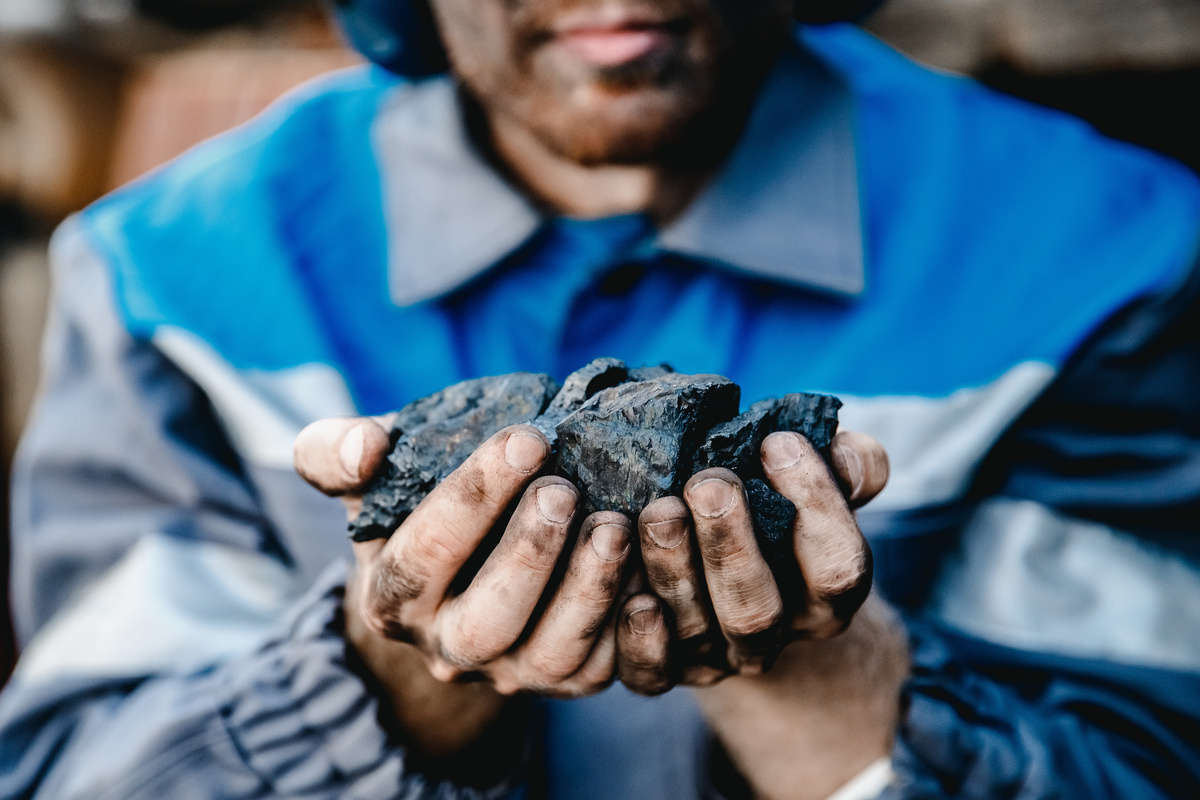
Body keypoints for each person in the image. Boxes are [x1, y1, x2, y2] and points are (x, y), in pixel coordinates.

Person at [2, 0, 1199, 798]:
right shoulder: (172, 278)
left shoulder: (1101, 257)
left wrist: (824, 670)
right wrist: (389, 665)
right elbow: (76, 773)